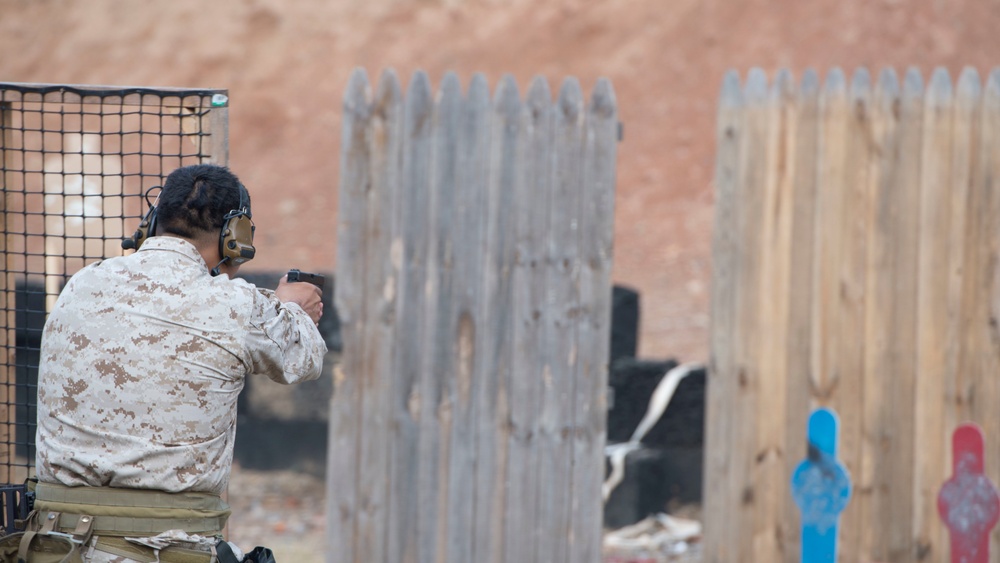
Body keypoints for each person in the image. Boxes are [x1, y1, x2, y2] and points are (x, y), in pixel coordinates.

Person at [13, 164, 326, 562]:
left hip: (54, 547)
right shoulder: (238, 307)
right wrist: (292, 309)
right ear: (237, 237)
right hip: (165, 549)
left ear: (152, 221)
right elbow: (304, 357)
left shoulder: (82, 282)